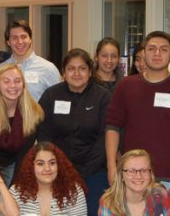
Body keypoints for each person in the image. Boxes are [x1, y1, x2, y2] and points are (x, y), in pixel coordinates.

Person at [105, 31, 170, 182]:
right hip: (130, 175)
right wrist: (112, 166)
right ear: (144, 53)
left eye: (163, 49)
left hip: (169, 176)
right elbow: (112, 127)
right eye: (152, 49)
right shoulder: (126, 85)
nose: (157, 53)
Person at [37, 48, 112, 216]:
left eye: (82, 68)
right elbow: (43, 133)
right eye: (71, 68)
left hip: (94, 172)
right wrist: (61, 167)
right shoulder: (51, 95)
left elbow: (105, 137)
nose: (76, 73)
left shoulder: (103, 97)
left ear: (90, 71)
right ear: (63, 72)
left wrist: (83, 171)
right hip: (57, 172)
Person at [0, 64, 44, 184]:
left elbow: (26, 153)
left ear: (23, 84)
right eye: (6, 81)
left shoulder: (34, 112)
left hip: (24, 166)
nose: (12, 86)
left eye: (17, 81)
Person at [9, 141, 88, 215]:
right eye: (40, 164)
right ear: (31, 167)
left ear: (59, 165)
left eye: (52, 163)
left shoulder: (73, 191)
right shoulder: (16, 192)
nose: (47, 168)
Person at [0, 20, 61, 101]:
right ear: (8, 42)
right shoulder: (1, 69)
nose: (20, 42)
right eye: (14, 38)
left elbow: (57, 101)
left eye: (23, 37)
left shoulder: (48, 69)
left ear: (30, 39)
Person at [97, 149, 169, 216]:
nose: (138, 176)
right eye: (131, 171)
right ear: (121, 176)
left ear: (151, 174)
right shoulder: (109, 202)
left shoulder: (160, 194)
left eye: (144, 170)